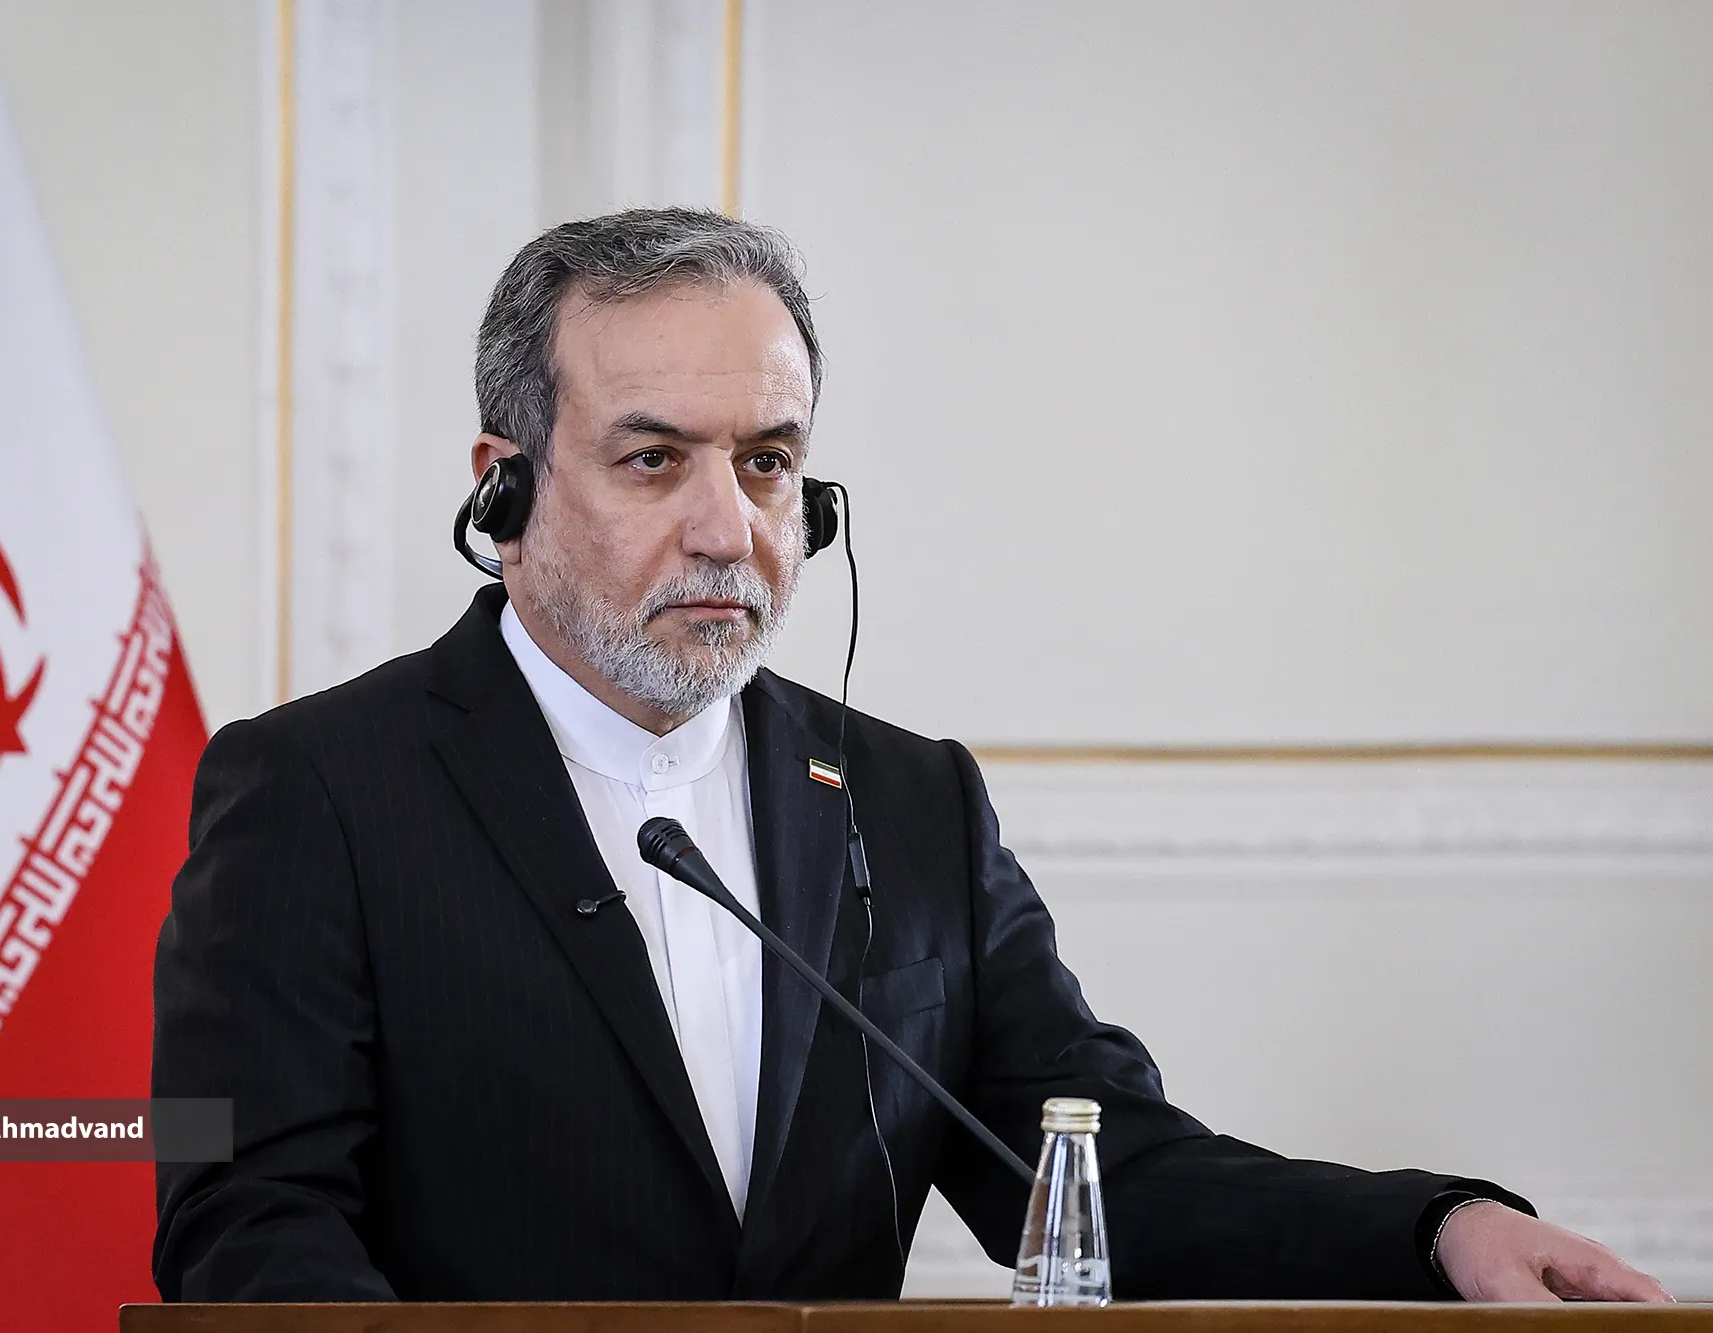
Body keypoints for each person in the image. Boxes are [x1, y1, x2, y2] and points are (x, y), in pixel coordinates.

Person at [151, 207, 1670, 1304]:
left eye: (767, 462)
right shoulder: (315, 793)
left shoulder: (906, 800)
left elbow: (1102, 1173)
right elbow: (250, 1216)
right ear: (505, 490)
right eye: (652, 459)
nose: (728, 528)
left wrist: (1438, 1231)